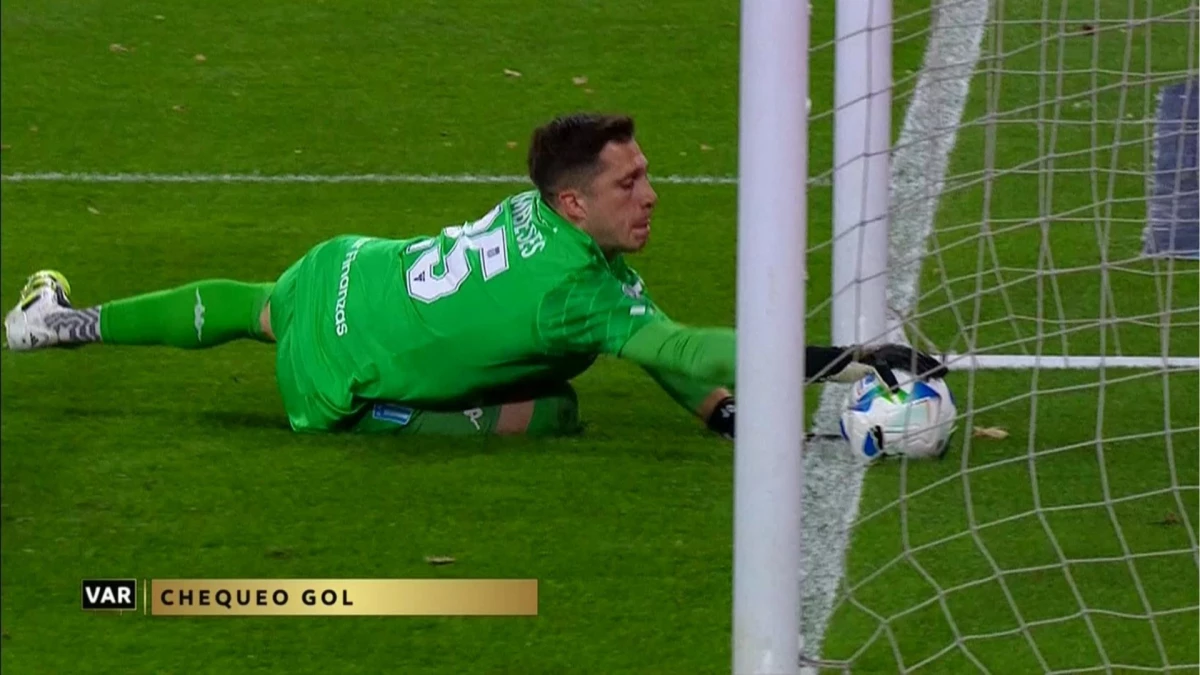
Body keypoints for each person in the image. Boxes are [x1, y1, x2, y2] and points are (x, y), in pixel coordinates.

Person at [3, 113, 946, 439]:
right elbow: (677, 342)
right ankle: (390, 417)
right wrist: (854, 356)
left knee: (259, 307)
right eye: (631, 182)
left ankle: (64, 321)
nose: (653, 194)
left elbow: (652, 332)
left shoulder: (549, 216)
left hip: (338, 270)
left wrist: (722, 414)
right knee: (563, 406)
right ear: (578, 203)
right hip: (336, 390)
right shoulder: (579, 292)